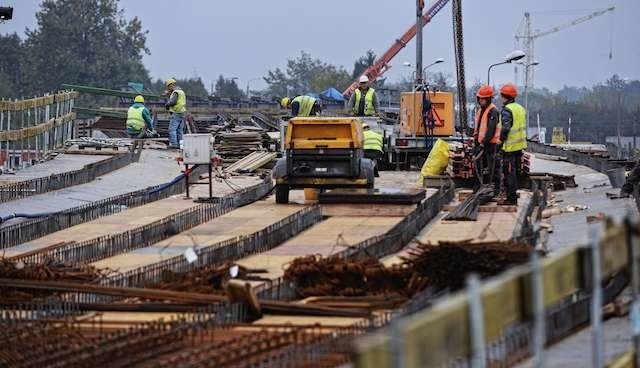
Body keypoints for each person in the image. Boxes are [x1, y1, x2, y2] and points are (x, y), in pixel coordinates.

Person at [498, 83, 527, 205]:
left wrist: (500, 141)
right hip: (519, 146)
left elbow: (505, 128)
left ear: (506, 97)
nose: (501, 99)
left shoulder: (507, 110)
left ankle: (511, 198)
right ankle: (513, 194)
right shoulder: (520, 108)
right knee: (515, 172)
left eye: (502, 96)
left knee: (509, 173)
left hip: (509, 147)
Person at [474, 85, 501, 192]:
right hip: (482, 144)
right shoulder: (480, 110)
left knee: (493, 168)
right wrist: (476, 142)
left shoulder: (493, 111)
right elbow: (479, 127)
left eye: (483, 98)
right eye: (479, 98)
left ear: (488, 99)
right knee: (481, 167)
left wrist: (483, 143)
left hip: (490, 145)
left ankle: (495, 189)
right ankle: (481, 187)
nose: (481, 100)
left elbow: (491, 130)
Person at [164, 78, 186, 148]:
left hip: (176, 112)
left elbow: (173, 102)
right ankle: (180, 145)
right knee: (179, 130)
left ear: (172, 85)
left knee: (172, 129)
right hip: (181, 112)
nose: (168, 88)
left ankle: (174, 145)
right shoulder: (181, 91)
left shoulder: (176, 92)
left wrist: (167, 104)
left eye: (168, 87)